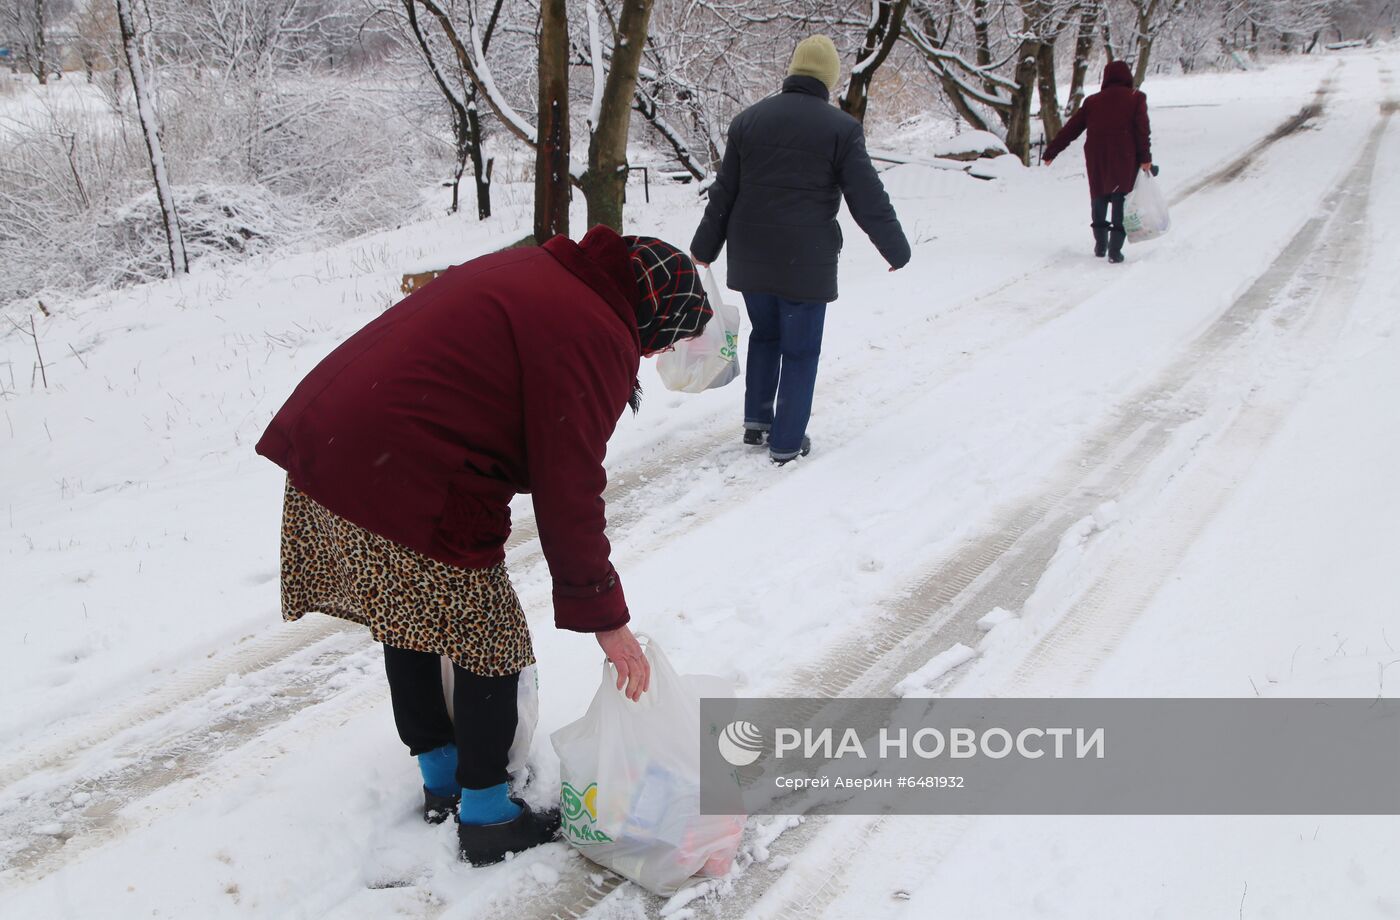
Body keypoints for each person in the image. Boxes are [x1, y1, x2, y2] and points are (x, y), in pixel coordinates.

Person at [254, 227, 711, 866]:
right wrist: (607, 620)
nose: (646, 354)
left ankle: (442, 779)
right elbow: (570, 489)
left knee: (409, 612)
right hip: (407, 465)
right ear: (652, 317)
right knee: (488, 638)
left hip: (341, 441)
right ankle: (488, 815)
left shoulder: (544, 272)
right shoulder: (595, 331)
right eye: (658, 342)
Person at [690, 34, 910, 465]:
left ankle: (757, 422)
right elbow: (868, 196)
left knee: (766, 336)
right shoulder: (841, 129)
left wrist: (704, 247)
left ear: (792, 70)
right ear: (828, 79)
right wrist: (895, 249)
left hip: (752, 259)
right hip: (805, 262)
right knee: (801, 349)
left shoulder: (748, 121)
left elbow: (724, 193)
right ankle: (787, 441)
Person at [1043, 60, 1153, 264]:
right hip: (1124, 156)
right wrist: (1145, 158)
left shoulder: (1092, 101)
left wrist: (1052, 151)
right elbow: (1142, 130)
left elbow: (1072, 128)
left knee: (1099, 194)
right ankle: (1115, 249)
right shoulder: (1136, 98)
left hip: (1097, 155)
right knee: (1120, 197)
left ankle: (1100, 244)